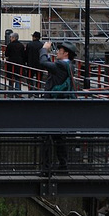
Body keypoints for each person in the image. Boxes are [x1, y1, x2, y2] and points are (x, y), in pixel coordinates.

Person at [39, 41, 77, 172]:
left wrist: (44, 49)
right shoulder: (70, 65)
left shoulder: (60, 65)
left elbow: (43, 63)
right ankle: (63, 166)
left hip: (52, 106)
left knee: (47, 136)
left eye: (59, 50)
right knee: (59, 137)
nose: (57, 52)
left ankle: (46, 168)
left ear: (65, 53)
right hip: (61, 106)